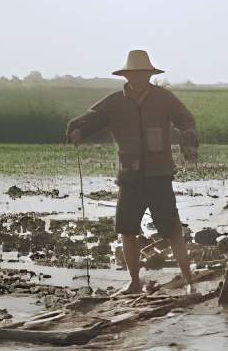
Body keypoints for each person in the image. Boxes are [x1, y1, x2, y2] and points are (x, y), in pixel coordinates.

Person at [66, 49, 198, 295]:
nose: (139, 78)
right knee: (127, 230)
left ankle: (190, 282)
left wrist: (189, 142)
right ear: (127, 76)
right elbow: (91, 118)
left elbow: (186, 121)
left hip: (160, 176)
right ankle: (134, 283)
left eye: (143, 74)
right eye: (135, 74)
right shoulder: (114, 102)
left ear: (149, 75)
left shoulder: (164, 98)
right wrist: (76, 129)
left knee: (173, 231)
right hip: (130, 176)